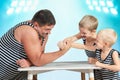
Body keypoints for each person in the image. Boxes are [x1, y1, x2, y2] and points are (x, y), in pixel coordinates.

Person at [0, 9, 70, 80]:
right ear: (36, 25)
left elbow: (40, 55)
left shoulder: (43, 34)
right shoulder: (28, 31)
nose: (49, 32)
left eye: (50, 29)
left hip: (15, 74)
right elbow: (38, 60)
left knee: (31, 72)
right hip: (3, 73)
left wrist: (30, 62)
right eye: (47, 29)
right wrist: (62, 52)